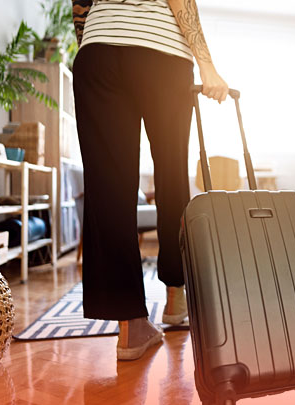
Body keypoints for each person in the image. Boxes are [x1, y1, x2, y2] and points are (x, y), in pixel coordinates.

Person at [71, 0, 228, 360]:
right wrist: (207, 65)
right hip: (162, 52)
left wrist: (98, 43)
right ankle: (176, 295)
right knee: (172, 174)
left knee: (108, 187)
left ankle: (131, 326)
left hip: (98, 50)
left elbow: (79, 5)